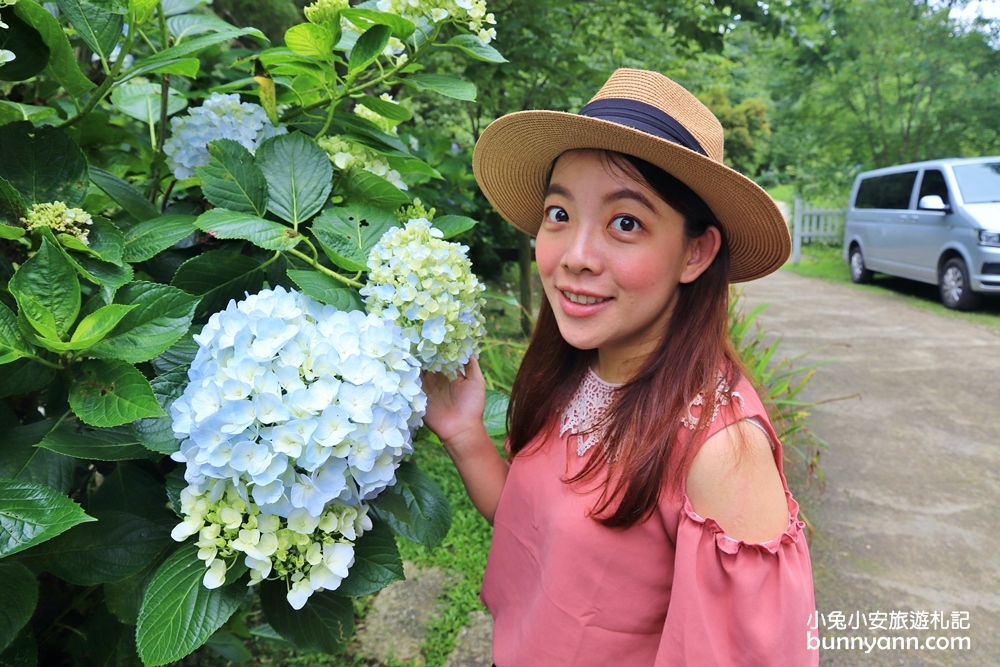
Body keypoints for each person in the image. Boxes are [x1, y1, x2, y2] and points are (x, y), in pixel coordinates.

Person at [420, 69, 818, 666]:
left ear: (695, 252)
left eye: (625, 223)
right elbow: (541, 533)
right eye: (559, 213)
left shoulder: (720, 455)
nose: (575, 257)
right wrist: (463, 432)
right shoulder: (581, 371)